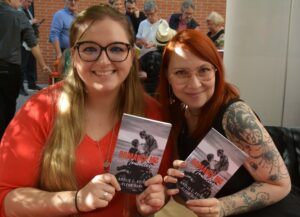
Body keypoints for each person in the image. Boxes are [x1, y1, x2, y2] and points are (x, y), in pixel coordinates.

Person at [0, 4, 172, 217]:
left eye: (117, 49)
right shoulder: (40, 109)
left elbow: (162, 186)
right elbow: (6, 199)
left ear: (132, 54)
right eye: (90, 49)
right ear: (73, 54)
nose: (103, 60)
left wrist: (158, 197)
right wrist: (75, 200)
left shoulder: (152, 114)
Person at [159, 29, 300, 216]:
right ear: (168, 77)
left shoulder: (235, 116)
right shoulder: (179, 115)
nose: (194, 83)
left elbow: (280, 185)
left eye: (204, 70)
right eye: (181, 73)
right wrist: (176, 183)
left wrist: (224, 206)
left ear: (216, 71)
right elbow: (185, 195)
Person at [0, 0, 50, 141]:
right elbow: (32, 43)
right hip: (9, 69)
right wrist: (42, 64)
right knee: (8, 108)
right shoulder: (19, 16)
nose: (21, 2)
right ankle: (5, 142)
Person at [19, 0, 43, 95]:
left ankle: (32, 84)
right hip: (24, 43)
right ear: (23, 0)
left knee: (31, 64)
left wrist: (35, 24)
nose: (30, 4)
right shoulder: (19, 10)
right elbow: (20, 24)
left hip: (31, 42)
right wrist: (31, 21)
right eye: (28, 2)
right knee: (22, 66)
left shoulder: (27, 10)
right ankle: (20, 88)